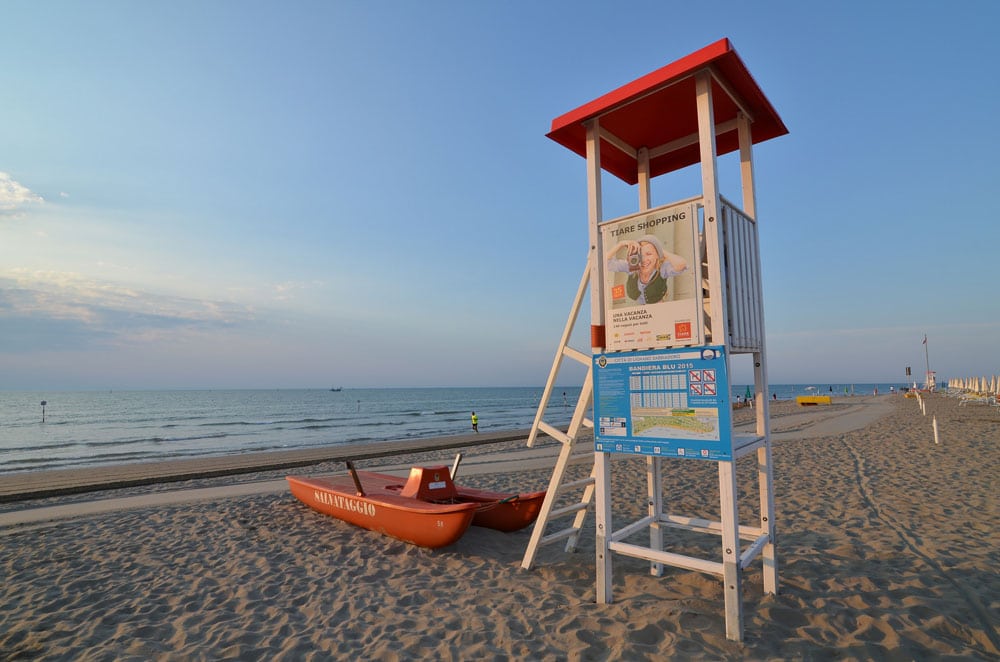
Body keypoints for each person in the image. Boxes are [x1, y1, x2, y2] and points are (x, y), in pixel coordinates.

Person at [606, 234, 688, 305]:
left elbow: (682, 264)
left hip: (657, 306)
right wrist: (621, 244)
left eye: (648, 254)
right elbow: (605, 263)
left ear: (657, 255)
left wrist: (659, 250)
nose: (644, 260)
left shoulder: (662, 268)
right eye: (640, 254)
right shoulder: (632, 266)